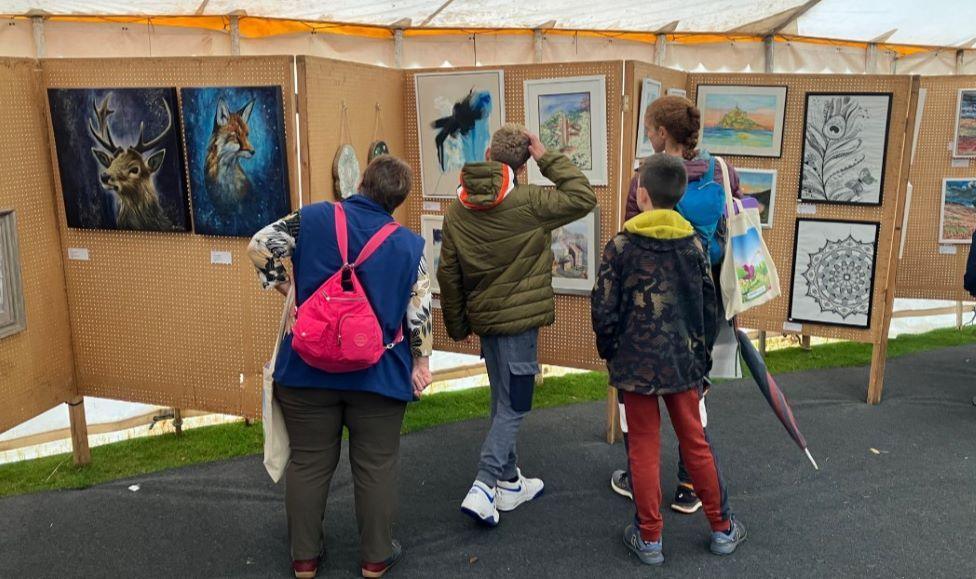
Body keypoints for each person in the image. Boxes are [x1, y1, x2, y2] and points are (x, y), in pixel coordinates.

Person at [248, 155, 433, 579]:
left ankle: (304, 560)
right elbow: (419, 313)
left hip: (306, 370)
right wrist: (420, 362)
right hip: (379, 375)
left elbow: (259, 245)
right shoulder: (409, 245)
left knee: (309, 462)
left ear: (361, 181)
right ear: (398, 201)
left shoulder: (311, 219)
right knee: (376, 465)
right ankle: (374, 559)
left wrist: (288, 288)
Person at [437, 124, 597, 526]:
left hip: (487, 322)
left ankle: (509, 482)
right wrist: (547, 156)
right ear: (525, 163)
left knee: (501, 400)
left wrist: (457, 326)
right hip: (520, 325)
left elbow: (449, 274)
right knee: (515, 403)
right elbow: (583, 195)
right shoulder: (530, 202)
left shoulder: (457, 208)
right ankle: (484, 483)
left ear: (488, 152)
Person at [592, 154, 746, 566]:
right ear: (677, 196)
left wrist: (611, 352)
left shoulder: (621, 246)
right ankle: (722, 528)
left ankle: (650, 538)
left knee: (642, 447)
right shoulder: (695, 245)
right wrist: (701, 359)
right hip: (683, 364)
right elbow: (707, 310)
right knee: (695, 442)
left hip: (634, 365)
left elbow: (603, 308)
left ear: (640, 194)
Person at [610, 95, 742, 515]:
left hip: (652, 303)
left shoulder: (644, 179)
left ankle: (638, 480)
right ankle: (689, 484)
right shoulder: (723, 170)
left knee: (638, 402)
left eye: (648, 128)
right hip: (708, 296)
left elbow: (632, 235)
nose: (646, 135)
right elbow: (742, 216)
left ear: (661, 133)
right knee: (694, 390)